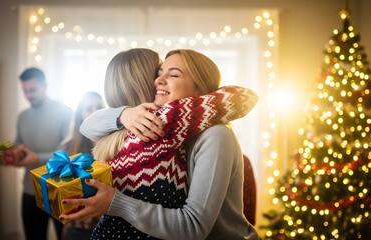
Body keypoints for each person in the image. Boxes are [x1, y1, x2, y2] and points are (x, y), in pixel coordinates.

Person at [60, 49, 259, 239]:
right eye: (159, 73)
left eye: (173, 75)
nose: (158, 80)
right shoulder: (162, 127)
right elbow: (87, 126)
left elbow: (194, 227)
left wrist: (115, 202)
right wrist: (123, 114)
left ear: (199, 87)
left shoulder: (216, 135)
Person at [13, 67, 73, 240]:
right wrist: (15, 153)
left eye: (33, 90)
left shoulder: (65, 112)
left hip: (60, 189)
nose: (29, 95)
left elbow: (70, 154)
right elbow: (18, 142)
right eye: (25, 91)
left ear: (45, 86)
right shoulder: (22, 116)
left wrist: (37, 158)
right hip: (29, 189)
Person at [58, 91, 105, 240]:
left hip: (108, 228)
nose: (94, 112)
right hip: (77, 229)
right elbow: (59, 191)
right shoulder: (67, 147)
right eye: (88, 109)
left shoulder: (115, 145)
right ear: (80, 115)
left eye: (98, 107)